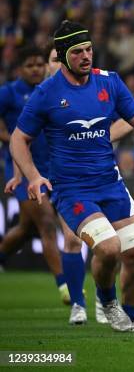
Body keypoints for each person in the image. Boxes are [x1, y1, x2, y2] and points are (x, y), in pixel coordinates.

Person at [10, 21, 134, 333]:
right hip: (73, 190)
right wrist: (34, 176)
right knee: (108, 248)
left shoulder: (110, 82)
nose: (86, 56)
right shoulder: (47, 93)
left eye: (89, 49)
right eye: (78, 51)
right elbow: (18, 139)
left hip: (111, 183)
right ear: (64, 55)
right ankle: (107, 301)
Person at [0, 46, 69, 303]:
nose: (37, 69)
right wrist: (12, 138)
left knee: (27, 229)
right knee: (47, 224)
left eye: (40, 64)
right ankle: (66, 288)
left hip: (51, 166)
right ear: (20, 69)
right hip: (23, 169)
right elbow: (19, 136)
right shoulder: (9, 93)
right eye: (30, 65)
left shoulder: (50, 92)